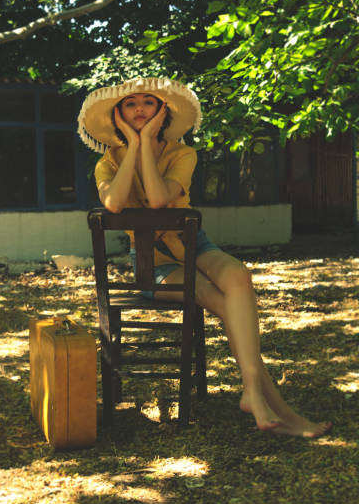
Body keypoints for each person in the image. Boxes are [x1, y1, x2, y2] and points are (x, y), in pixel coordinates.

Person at [78, 77, 332, 438]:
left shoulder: (184, 154)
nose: (139, 109)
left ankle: (254, 394)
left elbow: (158, 197)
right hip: (155, 264)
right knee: (222, 302)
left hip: (195, 245)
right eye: (130, 104)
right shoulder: (107, 164)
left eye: (148, 103)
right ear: (118, 114)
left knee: (238, 276)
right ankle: (277, 408)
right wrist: (136, 144)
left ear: (162, 111)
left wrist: (148, 142)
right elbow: (117, 204)